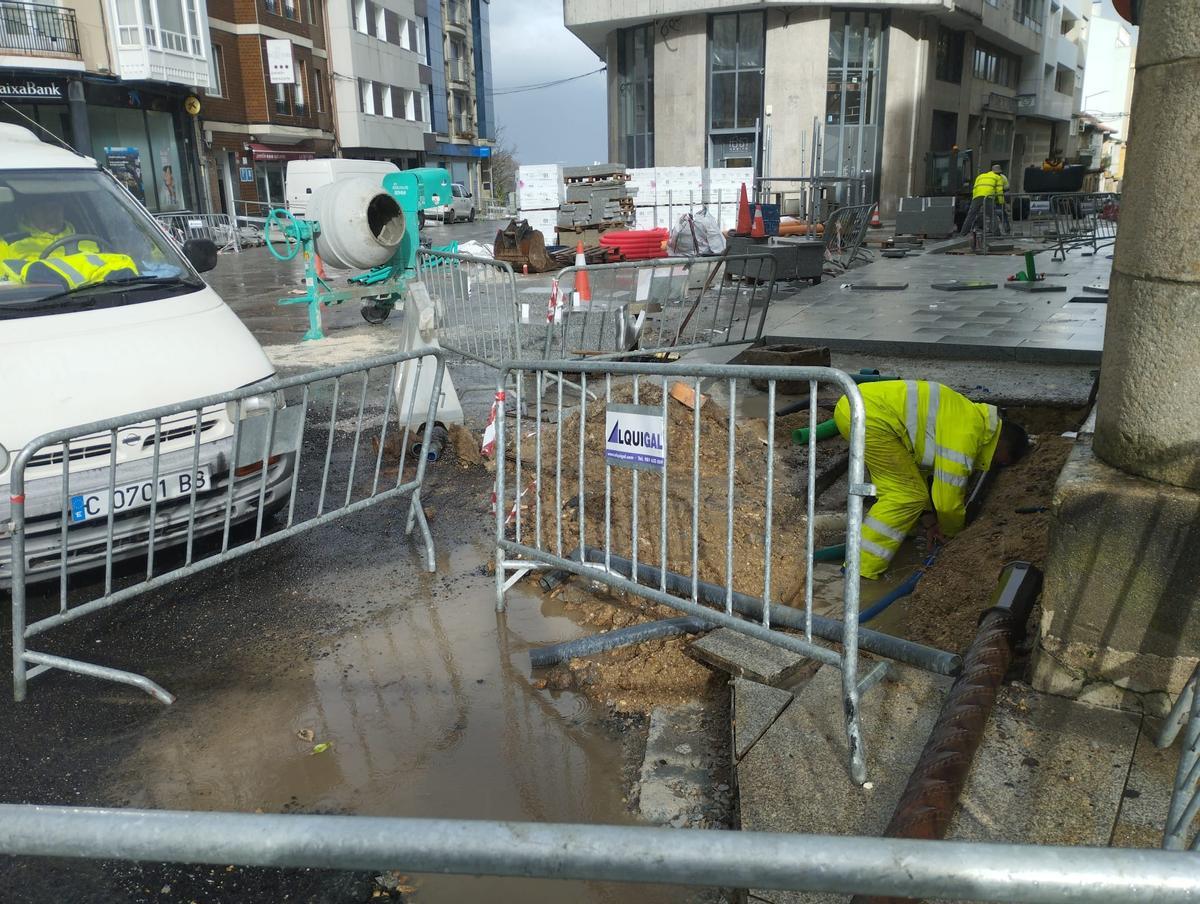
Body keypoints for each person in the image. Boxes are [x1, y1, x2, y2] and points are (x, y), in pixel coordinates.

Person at [833, 380, 1029, 580]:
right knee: (905, 495)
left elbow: (920, 475)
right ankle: (860, 570)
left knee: (908, 489)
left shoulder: (969, 418)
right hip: (871, 417)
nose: (996, 465)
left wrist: (929, 523)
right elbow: (947, 502)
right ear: (1003, 445)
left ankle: (897, 538)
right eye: (1001, 462)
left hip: (861, 408)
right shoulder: (968, 433)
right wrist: (952, 534)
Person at [1, 198, 137, 290]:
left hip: (104, 298)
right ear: (28, 213)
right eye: (42, 209)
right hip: (41, 307)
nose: (50, 215)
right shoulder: (7, 245)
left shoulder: (91, 240)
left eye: (55, 208)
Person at [959, 164, 1008, 237]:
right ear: (998, 172)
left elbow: (975, 188)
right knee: (992, 215)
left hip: (976, 196)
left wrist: (974, 199)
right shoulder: (998, 177)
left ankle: (963, 233)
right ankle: (996, 233)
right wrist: (1001, 202)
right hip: (988, 196)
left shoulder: (980, 176)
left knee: (971, 215)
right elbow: (999, 191)